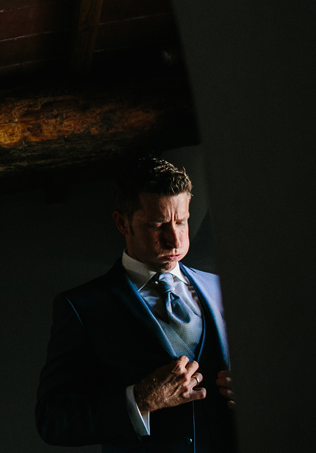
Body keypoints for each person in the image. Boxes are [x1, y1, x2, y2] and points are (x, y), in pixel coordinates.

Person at [35, 156, 237, 452]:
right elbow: (53, 420)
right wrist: (140, 399)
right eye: (157, 225)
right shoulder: (82, 307)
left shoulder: (221, 288)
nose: (174, 240)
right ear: (122, 222)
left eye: (181, 222)